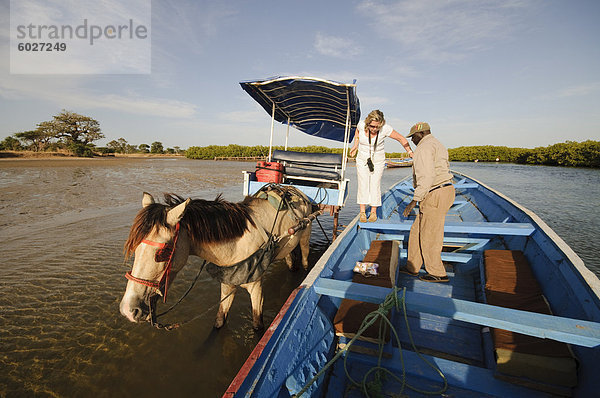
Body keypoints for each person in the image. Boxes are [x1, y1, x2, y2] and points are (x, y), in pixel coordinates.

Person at [400, 122, 455, 282]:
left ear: (421, 134)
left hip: (435, 192)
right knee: (417, 231)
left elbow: (427, 176)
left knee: (430, 234)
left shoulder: (423, 148)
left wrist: (414, 200)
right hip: (442, 190)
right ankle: (413, 267)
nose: (412, 141)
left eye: (413, 137)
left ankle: (437, 272)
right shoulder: (437, 143)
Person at [349, 110, 413, 222]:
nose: (374, 129)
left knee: (375, 183)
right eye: (372, 126)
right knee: (363, 182)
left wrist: (410, 151)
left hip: (378, 159)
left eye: (377, 127)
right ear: (368, 123)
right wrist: (355, 145)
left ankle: (373, 211)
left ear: (381, 124)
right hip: (363, 158)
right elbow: (357, 132)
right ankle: (362, 212)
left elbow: (401, 138)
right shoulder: (361, 125)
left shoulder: (385, 129)